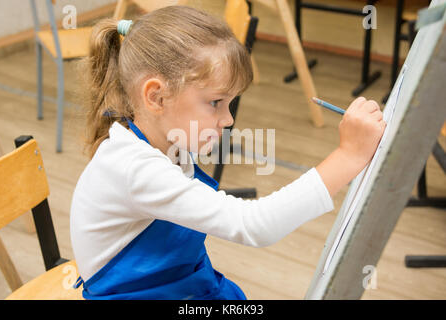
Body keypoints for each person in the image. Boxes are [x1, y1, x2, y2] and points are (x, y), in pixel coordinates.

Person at [70, 5, 386, 300]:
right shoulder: (134, 167)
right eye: (215, 102)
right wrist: (349, 155)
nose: (229, 119)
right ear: (156, 96)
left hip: (178, 283)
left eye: (230, 103)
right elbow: (253, 225)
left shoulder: (165, 140)